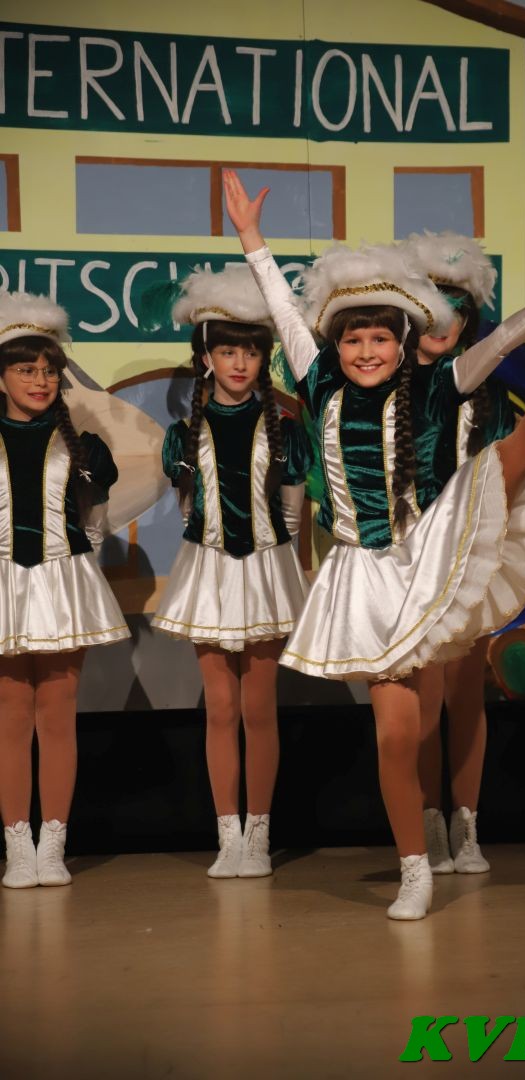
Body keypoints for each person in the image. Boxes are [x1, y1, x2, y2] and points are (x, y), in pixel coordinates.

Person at [225, 168, 525, 918]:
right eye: (354, 339)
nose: (366, 350)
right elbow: (281, 309)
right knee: (396, 735)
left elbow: (499, 341)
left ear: (402, 342)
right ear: (336, 344)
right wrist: (252, 241)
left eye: (380, 338)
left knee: (522, 448)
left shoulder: (436, 384)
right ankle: (415, 865)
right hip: (362, 575)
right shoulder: (318, 383)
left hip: (428, 545)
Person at [150, 266, 312, 878]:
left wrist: (282, 567)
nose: (239, 363)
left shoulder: (285, 430)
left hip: (267, 570)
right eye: (227, 352)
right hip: (210, 571)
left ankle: (259, 835)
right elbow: (189, 511)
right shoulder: (182, 435)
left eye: (250, 352)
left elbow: (292, 514)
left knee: (259, 708)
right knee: (220, 708)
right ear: (206, 359)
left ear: (263, 359)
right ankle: (228, 836)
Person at [0, 291, 129, 889]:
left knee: (57, 716)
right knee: (10, 719)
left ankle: (53, 844)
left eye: (49, 371)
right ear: (2, 376)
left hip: (61, 580)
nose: (41, 381)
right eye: (26, 370)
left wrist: (77, 567)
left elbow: (94, 520)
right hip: (5, 584)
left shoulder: (81, 447)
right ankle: (17, 846)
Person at [400, 230, 520, 875]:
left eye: (457, 311)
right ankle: (427, 826)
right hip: (405, 563)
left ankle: (467, 825)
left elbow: (508, 479)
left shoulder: (487, 397)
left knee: (467, 697)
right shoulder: (384, 388)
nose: (444, 322)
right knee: (421, 699)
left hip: (468, 556)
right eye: (433, 308)